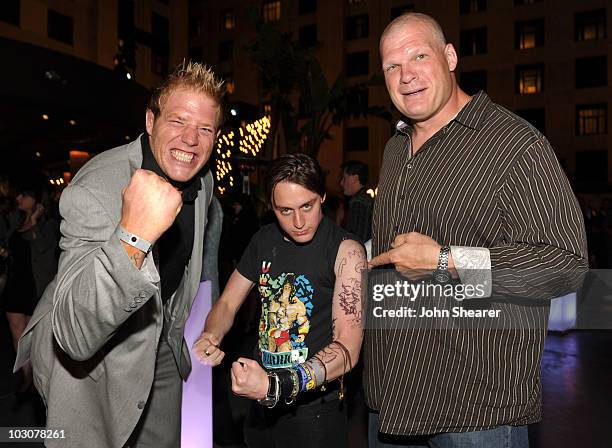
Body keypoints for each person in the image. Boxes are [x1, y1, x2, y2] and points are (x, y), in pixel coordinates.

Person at [364, 13, 588, 448]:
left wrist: (446, 261)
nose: (406, 75)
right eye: (392, 66)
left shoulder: (514, 144)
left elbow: (565, 265)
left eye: (419, 56)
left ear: (449, 57)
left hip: (474, 410)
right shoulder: (394, 148)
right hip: (391, 398)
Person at [14, 61, 224, 448]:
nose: (192, 139)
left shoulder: (205, 180)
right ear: (150, 120)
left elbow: (189, 266)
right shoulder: (96, 186)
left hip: (161, 342)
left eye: (205, 129)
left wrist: (180, 330)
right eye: (178, 121)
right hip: (94, 363)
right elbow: (75, 334)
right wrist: (134, 235)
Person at [194, 153, 366, 447]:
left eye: (307, 206)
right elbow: (227, 304)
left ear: (323, 196)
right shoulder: (263, 240)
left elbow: (347, 348)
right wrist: (211, 334)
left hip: (313, 412)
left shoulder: (347, 251)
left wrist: (277, 385)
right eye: (285, 210)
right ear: (271, 207)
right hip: (260, 405)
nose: (298, 222)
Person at [339, 160, 373, 243]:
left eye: (344, 178)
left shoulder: (358, 203)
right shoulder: (365, 199)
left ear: (354, 179)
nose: (341, 183)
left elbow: (356, 239)